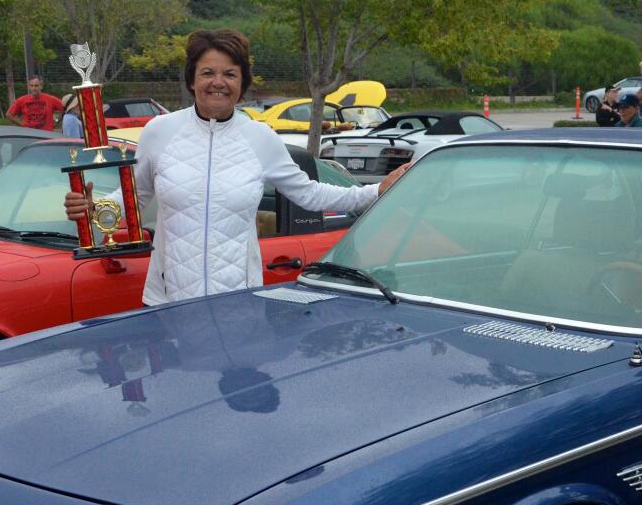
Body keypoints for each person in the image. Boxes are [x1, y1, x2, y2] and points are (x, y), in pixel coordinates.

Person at [64, 29, 408, 307]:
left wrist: (373, 191)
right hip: (168, 300)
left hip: (237, 301)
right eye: (208, 73)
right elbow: (134, 197)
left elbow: (309, 193)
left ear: (242, 84)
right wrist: (96, 210)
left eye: (230, 73)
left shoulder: (259, 137)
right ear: (191, 81)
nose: (218, 82)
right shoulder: (160, 131)